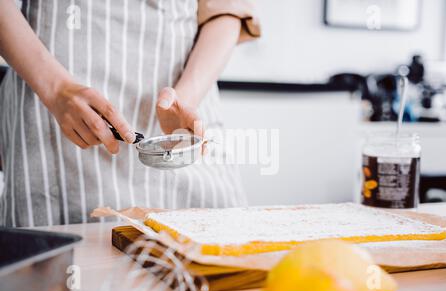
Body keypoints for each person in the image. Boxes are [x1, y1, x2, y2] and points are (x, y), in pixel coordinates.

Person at [0, 0, 260, 227]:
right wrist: (56, 89)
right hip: (54, 116)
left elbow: (228, 9)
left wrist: (185, 96)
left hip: (187, 117)